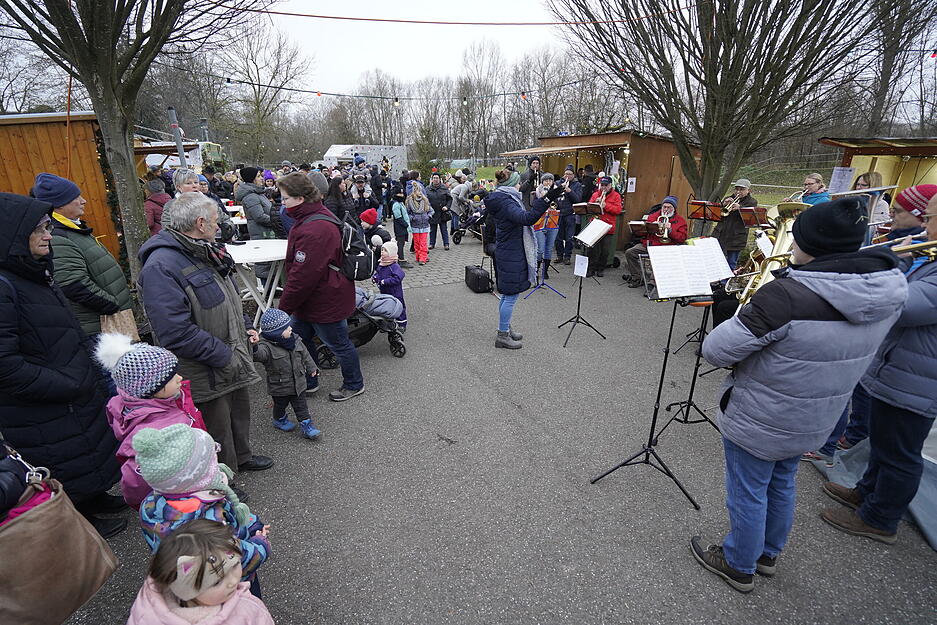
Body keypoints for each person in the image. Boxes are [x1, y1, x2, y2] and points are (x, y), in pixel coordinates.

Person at [692, 197, 907, 592]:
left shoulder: (786, 295)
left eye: (796, 240)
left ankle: (739, 562)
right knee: (783, 480)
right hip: (818, 414)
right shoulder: (888, 289)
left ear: (815, 246)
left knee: (749, 488)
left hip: (763, 414)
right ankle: (768, 553)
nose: (790, 246)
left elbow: (716, 350)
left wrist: (750, 308)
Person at [0, 193, 124, 538]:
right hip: (42, 402)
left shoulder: (33, 272)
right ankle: (78, 516)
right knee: (61, 456)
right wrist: (65, 383)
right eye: (39, 229)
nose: (48, 234)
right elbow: (5, 366)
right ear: (13, 235)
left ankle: (95, 497)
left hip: (71, 387)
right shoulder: (5, 286)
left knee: (83, 448)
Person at [820, 186, 937, 544]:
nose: (925, 225)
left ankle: (880, 518)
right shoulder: (930, 255)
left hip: (918, 379)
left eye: (930, 219)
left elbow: (902, 304)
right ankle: (865, 492)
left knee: (900, 452)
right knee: (881, 441)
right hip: (899, 369)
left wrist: (893, 259)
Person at [138, 192, 271, 475]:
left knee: (237, 411)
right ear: (200, 223)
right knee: (214, 426)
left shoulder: (206, 250)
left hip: (230, 353)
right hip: (206, 365)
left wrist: (246, 324)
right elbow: (174, 331)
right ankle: (221, 479)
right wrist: (224, 355)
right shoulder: (162, 266)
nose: (219, 225)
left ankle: (242, 457)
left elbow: (229, 296)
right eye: (215, 220)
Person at [135, 425, 270, 589]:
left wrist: (249, 523)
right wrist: (260, 545)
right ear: (198, 476)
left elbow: (227, 512)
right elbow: (233, 562)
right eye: (212, 460)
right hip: (226, 587)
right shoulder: (209, 522)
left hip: (189, 583)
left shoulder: (152, 502)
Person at [276, 172, 366, 402]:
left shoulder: (314, 228)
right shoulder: (311, 217)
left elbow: (303, 275)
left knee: (339, 345)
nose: (282, 203)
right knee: (300, 339)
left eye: (285, 198)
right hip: (314, 298)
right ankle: (311, 379)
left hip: (325, 298)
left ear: (300, 198)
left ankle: (354, 384)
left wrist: (282, 309)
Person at [95, 333, 207, 508]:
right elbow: (136, 479)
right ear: (152, 387)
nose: (179, 378)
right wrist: (151, 505)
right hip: (183, 502)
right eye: (171, 376)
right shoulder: (152, 431)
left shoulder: (171, 399)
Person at [32, 173, 133, 339]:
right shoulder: (58, 237)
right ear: (59, 205)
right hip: (97, 328)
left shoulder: (73, 230)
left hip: (106, 323)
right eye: (76, 197)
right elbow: (73, 284)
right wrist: (113, 304)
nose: (83, 200)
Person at [127, 518, 275, 625]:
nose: (233, 581)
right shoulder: (240, 615)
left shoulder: (146, 611)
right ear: (184, 589)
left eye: (235, 564)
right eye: (217, 581)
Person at [484, 168, 560, 349]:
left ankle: (505, 327)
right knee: (510, 295)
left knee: (507, 294)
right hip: (510, 252)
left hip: (510, 250)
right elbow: (527, 218)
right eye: (518, 182)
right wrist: (547, 199)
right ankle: (502, 336)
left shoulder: (504, 198)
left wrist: (549, 196)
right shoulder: (506, 202)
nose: (521, 185)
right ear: (512, 184)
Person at [252, 308, 321, 440]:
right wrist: (254, 346)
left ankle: (307, 426)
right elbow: (259, 355)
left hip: (299, 383)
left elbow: (305, 355)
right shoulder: (267, 347)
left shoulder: (295, 340)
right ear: (276, 334)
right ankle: (279, 419)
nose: (290, 329)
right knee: (280, 405)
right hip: (280, 386)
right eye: (286, 328)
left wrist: (312, 368)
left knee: (301, 407)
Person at [623, 196, 688, 288]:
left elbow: (682, 238)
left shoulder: (680, 221)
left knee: (658, 257)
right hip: (651, 244)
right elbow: (646, 233)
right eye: (664, 207)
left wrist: (670, 230)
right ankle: (637, 277)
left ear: (674, 208)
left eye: (669, 207)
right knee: (630, 252)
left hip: (667, 247)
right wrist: (638, 230)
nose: (666, 209)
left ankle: (652, 283)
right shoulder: (653, 216)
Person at [712, 178, 759, 270]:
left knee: (731, 262)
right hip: (721, 234)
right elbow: (717, 215)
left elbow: (750, 219)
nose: (738, 192)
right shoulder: (728, 199)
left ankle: (725, 283)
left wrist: (740, 208)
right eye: (737, 189)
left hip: (737, 237)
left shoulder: (752, 202)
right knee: (717, 260)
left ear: (748, 190)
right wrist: (723, 204)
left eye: (742, 189)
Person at [586, 176, 623, 277]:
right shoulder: (595, 194)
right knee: (591, 249)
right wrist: (595, 204)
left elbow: (618, 210)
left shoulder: (616, 196)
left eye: (606, 185)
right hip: (595, 225)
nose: (603, 187)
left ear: (610, 186)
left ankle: (600, 268)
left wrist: (605, 205)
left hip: (607, 226)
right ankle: (591, 268)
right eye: (602, 185)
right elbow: (589, 207)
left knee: (605, 250)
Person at [236, 167, 277, 241]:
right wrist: (277, 221)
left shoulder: (257, 192)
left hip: (266, 233)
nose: (262, 178)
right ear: (252, 179)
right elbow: (259, 217)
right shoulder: (250, 196)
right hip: (262, 235)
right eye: (258, 176)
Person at [531, 174, 560, 280]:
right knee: (540, 249)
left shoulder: (557, 192)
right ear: (542, 182)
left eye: (550, 180)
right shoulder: (537, 192)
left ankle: (545, 271)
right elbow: (533, 205)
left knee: (549, 249)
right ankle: (536, 270)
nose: (548, 182)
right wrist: (543, 197)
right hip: (539, 223)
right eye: (546, 180)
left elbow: (559, 206)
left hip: (552, 223)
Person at [373, 240, 407, 329]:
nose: (382, 252)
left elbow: (399, 277)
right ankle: (388, 322)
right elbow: (378, 273)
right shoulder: (381, 263)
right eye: (382, 250)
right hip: (384, 291)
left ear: (391, 253)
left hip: (395, 292)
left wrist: (385, 281)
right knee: (386, 305)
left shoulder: (394, 266)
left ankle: (402, 324)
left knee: (399, 306)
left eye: (385, 250)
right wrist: (375, 278)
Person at [554, 165, 583, 265]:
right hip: (559, 213)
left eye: (570, 174)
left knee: (569, 237)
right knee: (558, 237)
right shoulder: (558, 183)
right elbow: (553, 196)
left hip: (570, 214)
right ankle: (559, 255)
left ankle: (567, 256)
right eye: (566, 174)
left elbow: (578, 200)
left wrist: (570, 191)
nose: (567, 176)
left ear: (573, 175)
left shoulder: (577, 185)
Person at [407, 183, 434, 265]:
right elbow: (407, 213)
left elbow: (431, 210)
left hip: (424, 224)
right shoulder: (409, 201)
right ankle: (419, 256)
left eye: (420, 190)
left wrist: (428, 216)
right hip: (415, 225)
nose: (419, 192)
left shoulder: (425, 200)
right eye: (417, 190)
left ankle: (423, 258)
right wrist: (412, 218)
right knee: (417, 243)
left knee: (423, 243)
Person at [427, 173, 452, 250]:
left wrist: (447, 207)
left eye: (437, 178)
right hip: (432, 212)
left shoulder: (444, 188)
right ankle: (431, 243)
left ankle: (446, 244)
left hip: (442, 212)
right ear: (432, 179)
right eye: (434, 178)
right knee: (432, 229)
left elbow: (450, 199)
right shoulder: (428, 188)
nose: (435, 179)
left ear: (439, 179)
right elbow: (425, 199)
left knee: (444, 229)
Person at [390, 190, 414, 268]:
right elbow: (398, 216)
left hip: (402, 227)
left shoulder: (400, 203)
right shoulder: (396, 204)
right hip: (400, 227)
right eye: (399, 193)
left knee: (402, 243)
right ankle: (401, 260)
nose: (401, 195)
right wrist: (405, 224)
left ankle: (400, 258)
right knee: (400, 243)